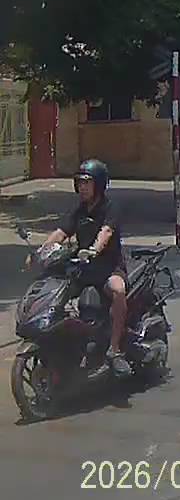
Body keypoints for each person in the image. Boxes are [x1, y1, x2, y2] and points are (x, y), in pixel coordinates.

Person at [30, 160, 131, 377]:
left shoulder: (110, 207)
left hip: (108, 267)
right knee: (56, 292)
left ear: (99, 184)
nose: (82, 187)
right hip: (83, 267)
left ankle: (114, 349)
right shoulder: (79, 210)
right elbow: (61, 232)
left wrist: (94, 250)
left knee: (118, 290)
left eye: (87, 182)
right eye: (79, 183)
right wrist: (41, 251)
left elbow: (106, 232)